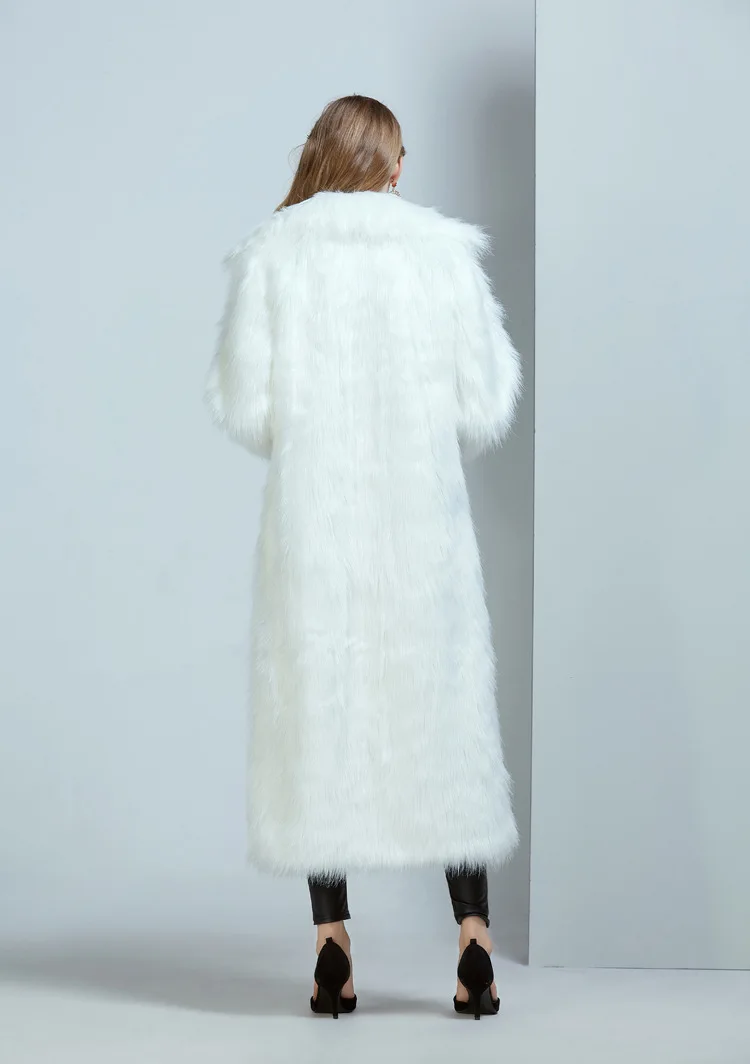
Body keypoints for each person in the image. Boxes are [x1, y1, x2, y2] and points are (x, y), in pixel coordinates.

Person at [206, 94, 522, 1019]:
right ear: (385, 162)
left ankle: (332, 950)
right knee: (446, 722)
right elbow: (485, 402)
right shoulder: (442, 254)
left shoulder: (273, 254)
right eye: (400, 153)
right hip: (423, 532)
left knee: (318, 721)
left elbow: (246, 410)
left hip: (316, 530)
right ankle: (474, 942)